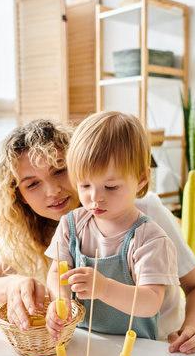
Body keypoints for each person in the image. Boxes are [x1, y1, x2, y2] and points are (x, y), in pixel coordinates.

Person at [0, 118, 195, 354]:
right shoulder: (48, 229)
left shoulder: (144, 213)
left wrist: (191, 330)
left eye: (60, 170)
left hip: (156, 346)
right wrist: (13, 284)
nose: (52, 191)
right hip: (93, 347)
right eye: (32, 184)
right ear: (20, 195)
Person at [45, 111, 180, 341]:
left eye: (110, 187)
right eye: (85, 185)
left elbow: (150, 302)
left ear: (141, 179)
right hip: (86, 342)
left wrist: (104, 288)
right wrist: (61, 299)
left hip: (137, 347)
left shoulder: (149, 238)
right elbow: (57, 271)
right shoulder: (71, 225)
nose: (95, 198)